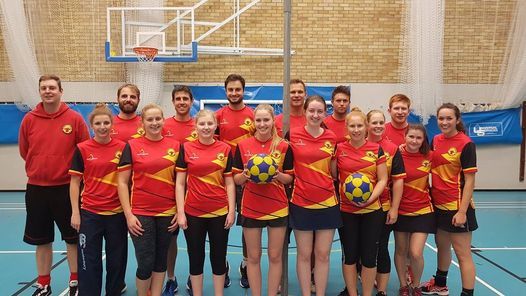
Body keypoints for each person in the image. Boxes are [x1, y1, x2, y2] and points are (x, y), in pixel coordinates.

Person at [18, 74, 90, 296]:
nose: (48, 91)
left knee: (72, 238)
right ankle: (44, 283)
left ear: (60, 91)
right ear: (40, 91)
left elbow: (84, 151)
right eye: (43, 88)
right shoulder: (29, 119)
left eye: (52, 87)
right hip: (37, 189)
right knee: (42, 240)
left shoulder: (75, 119)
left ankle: (75, 282)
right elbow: (24, 150)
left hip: (67, 189)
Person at [117, 103, 180, 296]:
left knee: (161, 260)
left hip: (167, 213)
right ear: (142, 123)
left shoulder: (175, 146)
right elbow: (122, 182)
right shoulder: (132, 145)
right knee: (145, 262)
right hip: (141, 213)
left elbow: (181, 182)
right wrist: (128, 215)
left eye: (158, 119)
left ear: (163, 120)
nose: (154, 123)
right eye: (150, 119)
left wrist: (179, 210)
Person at [232, 104, 293, 296]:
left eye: (266, 120)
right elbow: (236, 179)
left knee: (275, 256)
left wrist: (276, 175)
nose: (262, 124)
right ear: (254, 122)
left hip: (277, 207)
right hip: (251, 207)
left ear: (272, 121)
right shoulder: (242, 146)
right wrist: (246, 175)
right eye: (258, 120)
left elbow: (290, 178)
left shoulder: (284, 146)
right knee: (253, 256)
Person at [175, 109, 236, 296]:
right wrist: (181, 212)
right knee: (196, 257)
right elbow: (179, 183)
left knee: (218, 258)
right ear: (196, 126)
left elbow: (229, 183)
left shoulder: (225, 149)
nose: (206, 127)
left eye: (210, 124)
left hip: (219, 213)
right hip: (193, 213)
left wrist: (231, 210)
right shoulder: (186, 148)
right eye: (202, 124)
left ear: (216, 126)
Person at [69, 103, 127, 295]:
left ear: (112, 125)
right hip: (90, 214)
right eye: (98, 123)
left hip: (117, 214)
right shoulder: (82, 148)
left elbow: (127, 181)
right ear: (91, 126)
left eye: (106, 123)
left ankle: (114, 291)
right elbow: (75, 182)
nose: (102, 127)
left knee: (117, 260)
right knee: (88, 261)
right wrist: (76, 212)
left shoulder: (123, 148)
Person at [421, 103, 478, 296]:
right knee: (442, 246)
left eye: (449, 118)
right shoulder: (435, 140)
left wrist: (462, 211)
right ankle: (440, 284)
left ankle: (467, 293)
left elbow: (470, 181)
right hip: (438, 205)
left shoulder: (466, 144)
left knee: (463, 254)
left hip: (457, 206)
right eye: (441, 118)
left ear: (457, 120)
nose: (444, 122)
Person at [287, 95, 341, 296]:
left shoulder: (332, 138)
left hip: (328, 203)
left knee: (323, 255)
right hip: (301, 203)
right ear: (305, 112)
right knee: (304, 254)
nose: (315, 115)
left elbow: (335, 171)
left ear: (325, 114)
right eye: (312, 111)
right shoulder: (292, 135)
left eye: (320, 111)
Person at [332, 108, 388, 296]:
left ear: (366, 127)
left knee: (369, 257)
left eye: (359, 125)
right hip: (347, 211)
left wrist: (369, 198)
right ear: (346, 127)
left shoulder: (376, 149)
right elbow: (334, 175)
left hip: (372, 211)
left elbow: (382, 179)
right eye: (352, 126)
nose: (356, 130)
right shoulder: (339, 149)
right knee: (350, 256)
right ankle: (352, 292)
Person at [215, 74, 255, 289]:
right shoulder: (218, 116)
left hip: (247, 179)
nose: (234, 93)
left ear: (243, 90)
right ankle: (222, 266)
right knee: (223, 224)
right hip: (224, 180)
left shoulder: (253, 115)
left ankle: (246, 265)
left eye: (237, 89)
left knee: (247, 225)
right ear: (226, 91)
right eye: (230, 89)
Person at [161, 85, 197, 296]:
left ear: (191, 101)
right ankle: (171, 278)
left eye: (186, 98)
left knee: (195, 239)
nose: (182, 102)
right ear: (173, 102)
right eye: (178, 98)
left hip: (197, 190)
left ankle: (194, 277)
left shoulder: (201, 124)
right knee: (171, 239)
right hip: (169, 190)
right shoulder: (164, 126)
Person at [366, 110, 406, 296]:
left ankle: (381, 290)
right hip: (357, 208)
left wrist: (395, 209)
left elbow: (398, 181)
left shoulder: (392, 149)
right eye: (374, 122)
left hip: (383, 207)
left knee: (381, 247)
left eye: (381, 122)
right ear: (367, 124)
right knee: (360, 249)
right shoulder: (354, 146)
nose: (378, 126)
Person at [394, 124, 435, 296]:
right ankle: (404, 285)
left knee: (416, 252)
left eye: (418, 138)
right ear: (405, 136)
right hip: (400, 210)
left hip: (423, 210)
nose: (414, 141)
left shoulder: (430, 156)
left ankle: (416, 285)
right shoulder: (396, 154)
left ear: (423, 140)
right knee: (401, 251)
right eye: (411, 136)